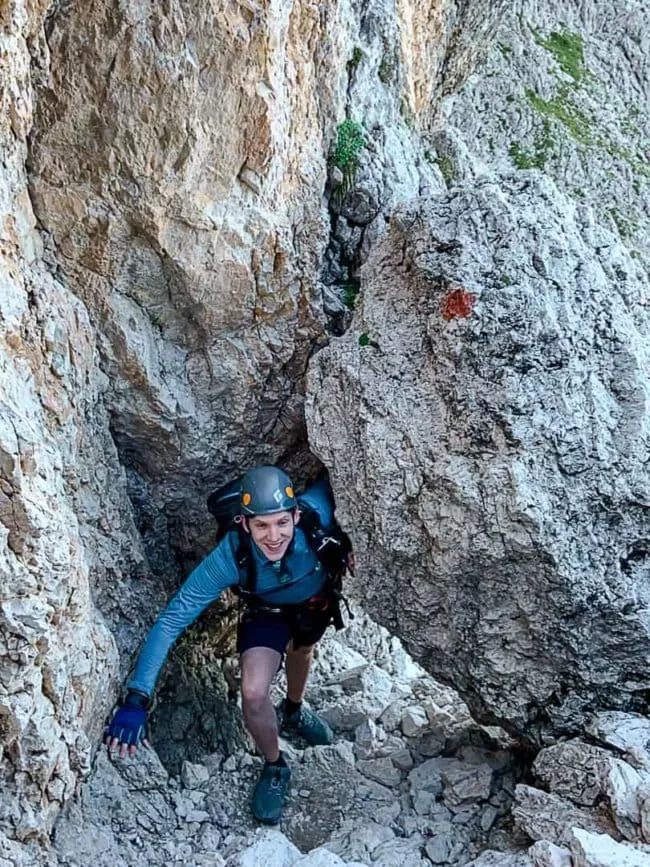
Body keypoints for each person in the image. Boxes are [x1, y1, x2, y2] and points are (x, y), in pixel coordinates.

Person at [104, 466, 352, 825]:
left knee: (303, 649)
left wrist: (354, 542)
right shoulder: (231, 555)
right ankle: (275, 765)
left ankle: (294, 710)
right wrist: (136, 697)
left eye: (282, 523)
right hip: (268, 612)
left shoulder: (315, 514)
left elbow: (348, 478)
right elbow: (174, 617)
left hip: (315, 601)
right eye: (261, 526)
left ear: (296, 514)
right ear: (243, 523)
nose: (273, 536)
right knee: (252, 693)